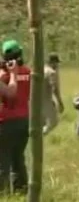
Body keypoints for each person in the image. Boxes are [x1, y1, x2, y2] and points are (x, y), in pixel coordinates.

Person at [0, 40, 29, 194]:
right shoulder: (28, 72)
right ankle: (22, 191)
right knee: (18, 159)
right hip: (24, 120)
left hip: (5, 122)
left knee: (2, 162)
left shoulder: (4, 75)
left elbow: (10, 94)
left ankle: (3, 194)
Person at [43, 54, 64, 135]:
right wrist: (60, 102)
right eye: (57, 63)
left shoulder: (40, 69)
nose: (57, 65)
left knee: (41, 123)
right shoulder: (51, 73)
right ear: (53, 62)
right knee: (53, 122)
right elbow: (54, 88)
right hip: (46, 100)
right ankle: (40, 136)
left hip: (35, 101)